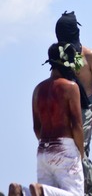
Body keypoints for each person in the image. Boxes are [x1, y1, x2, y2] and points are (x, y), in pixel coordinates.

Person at [9, 43, 88, 196]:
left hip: (43, 150)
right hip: (65, 149)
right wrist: (80, 152)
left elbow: (36, 127)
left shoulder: (38, 89)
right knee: (76, 194)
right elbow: (77, 125)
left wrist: (49, 145)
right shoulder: (71, 87)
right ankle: (41, 190)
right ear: (67, 63)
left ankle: (22, 192)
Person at [55, 11, 92, 196]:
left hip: (86, 107)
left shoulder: (89, 56)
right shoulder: (59, 56)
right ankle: (75, 188)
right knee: (65, 147)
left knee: (80, 146)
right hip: (65, 108)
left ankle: (91, 190)